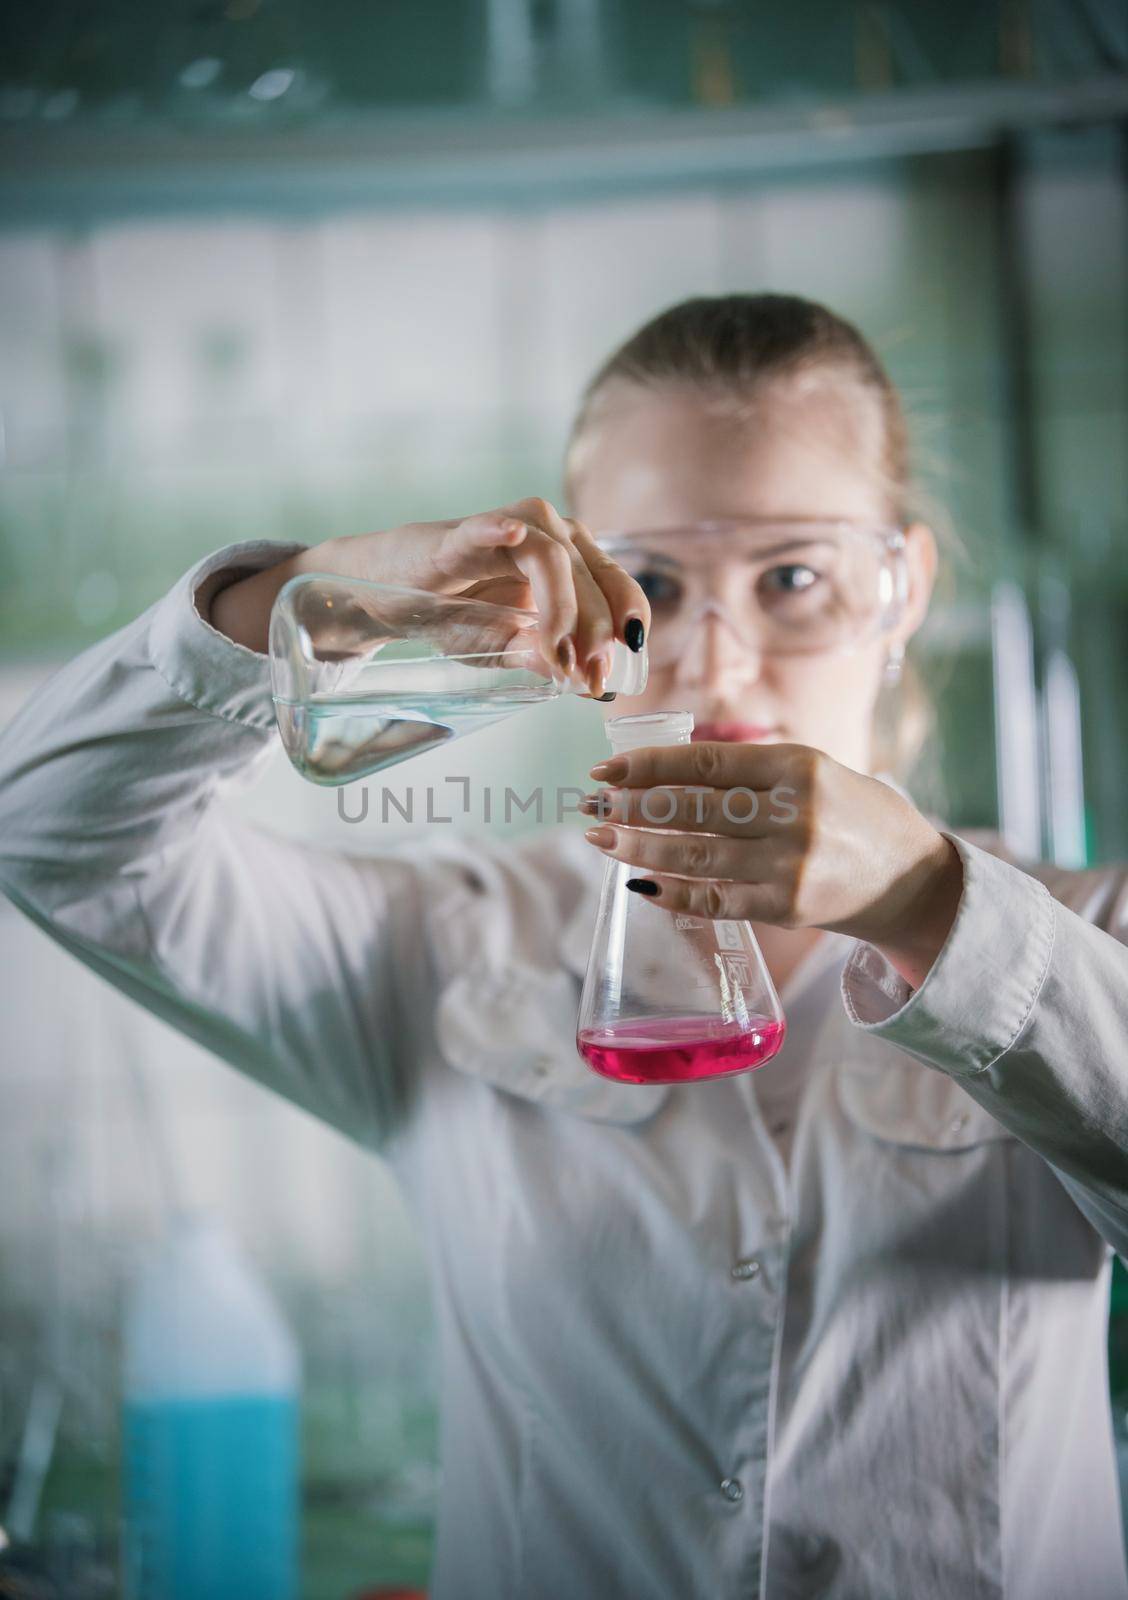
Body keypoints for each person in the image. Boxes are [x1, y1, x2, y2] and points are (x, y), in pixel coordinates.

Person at [1, 292, 1126, 1600]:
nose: (718, 661)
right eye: (649, 585)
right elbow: (46, 837)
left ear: (904, 591)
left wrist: (932, 902)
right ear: (576, 612)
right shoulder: (435, 946)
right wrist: (307, 605)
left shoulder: (1088, 934)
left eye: (795, 578)